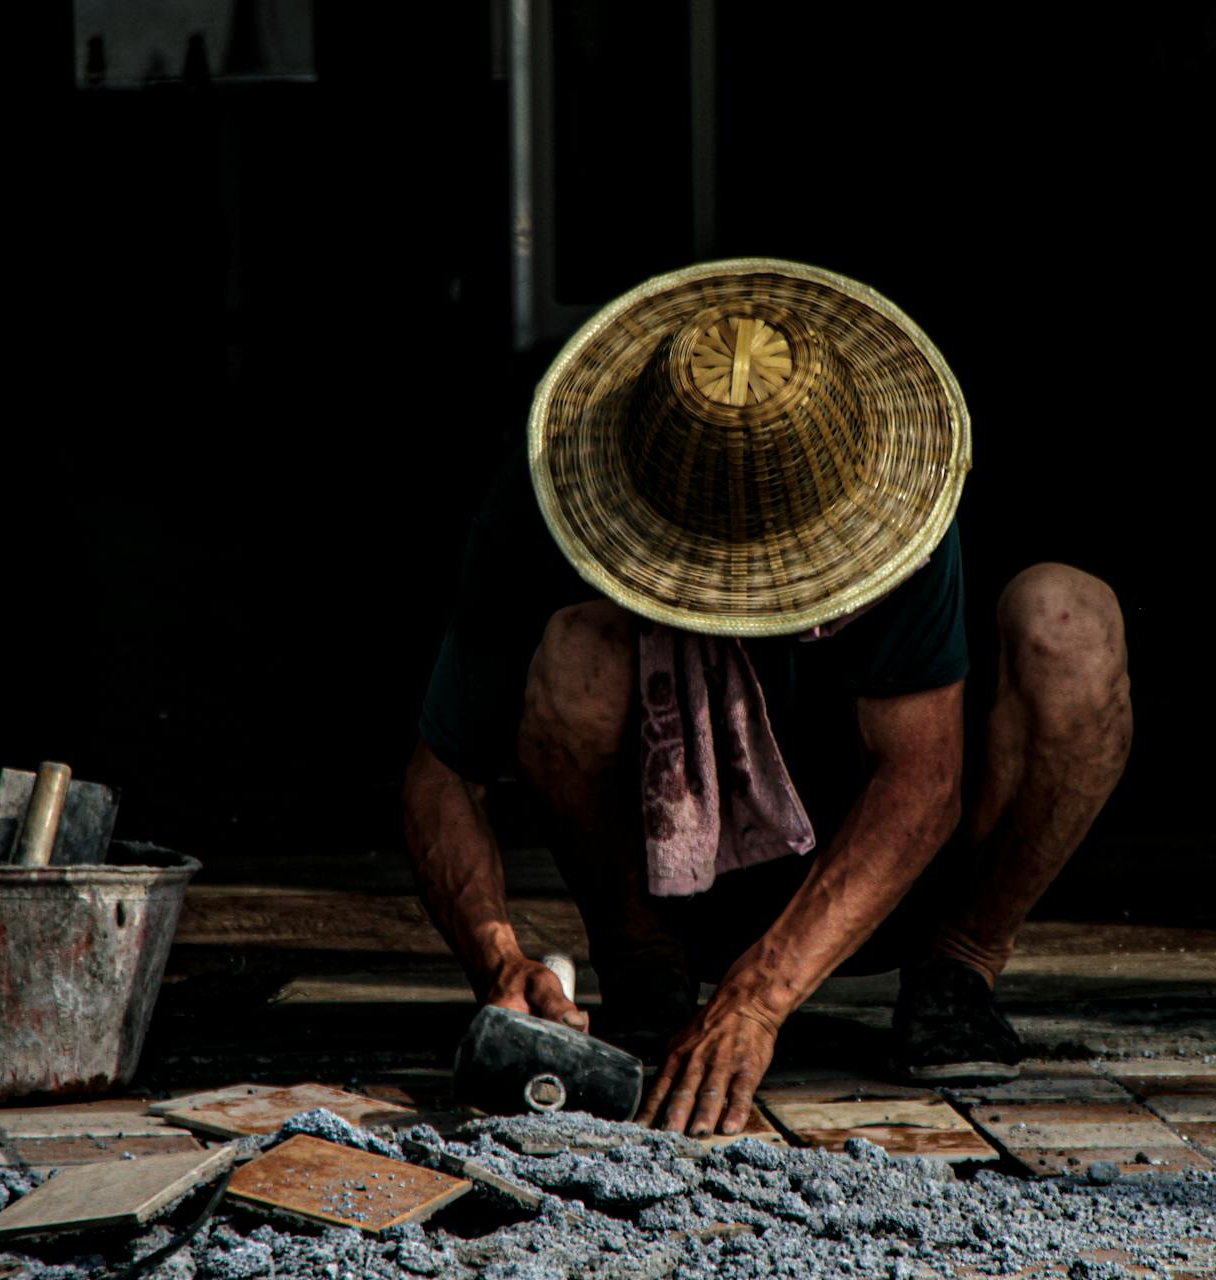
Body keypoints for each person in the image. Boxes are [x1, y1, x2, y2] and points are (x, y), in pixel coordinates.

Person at [405, 260, 1131, 1136]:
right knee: (577, 649)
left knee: (1073, 623)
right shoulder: (548, 484)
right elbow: (443, 772)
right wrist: (498, 958)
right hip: (671, 881)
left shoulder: (892, 486)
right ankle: (647, 972)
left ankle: (957, 972)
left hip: (892, 887)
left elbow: (923, 782)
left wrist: (759, 998)